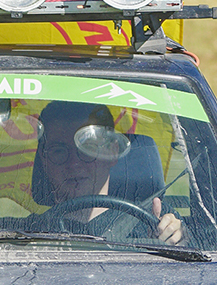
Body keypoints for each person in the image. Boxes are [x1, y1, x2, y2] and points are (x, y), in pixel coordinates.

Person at [31, 102, 184, 244]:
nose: (73, 163)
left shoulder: (155, 223)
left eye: (87, 147)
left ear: (112, 151)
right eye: (58, 151)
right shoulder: (23, 235)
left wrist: (174, 240)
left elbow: (198, 255)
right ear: (44, 160)